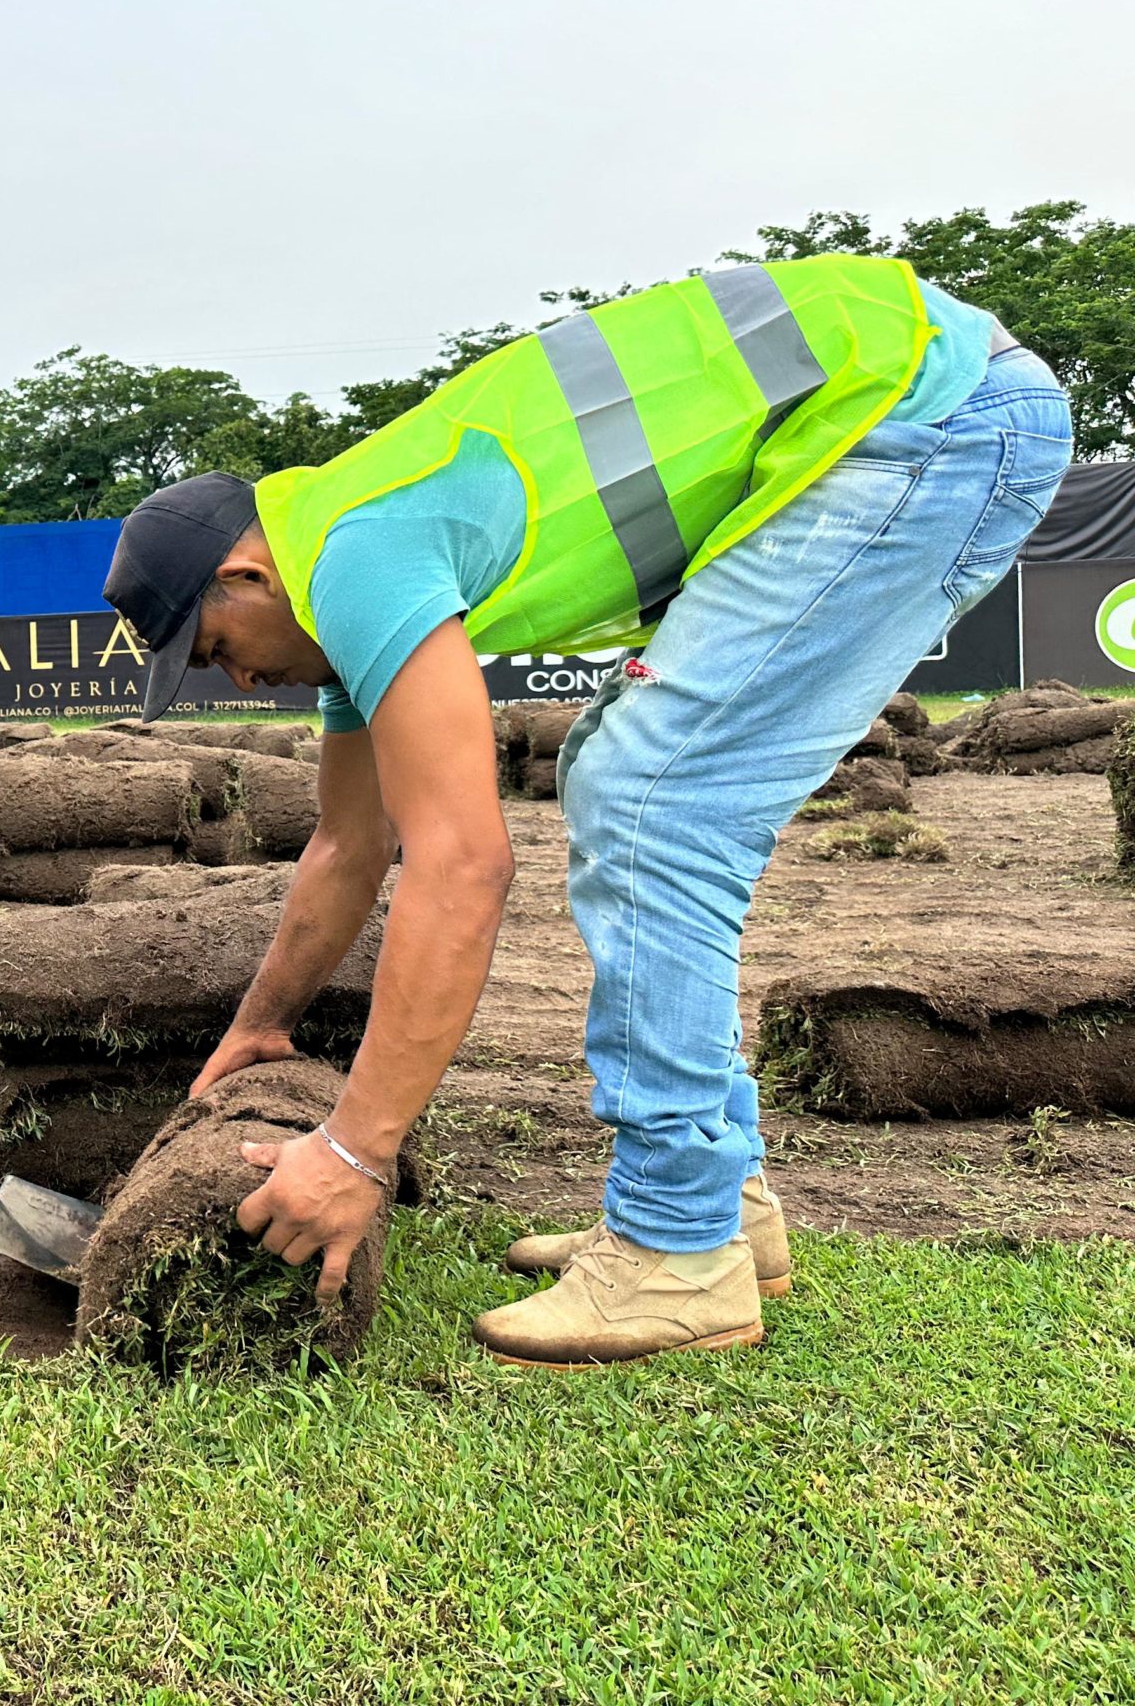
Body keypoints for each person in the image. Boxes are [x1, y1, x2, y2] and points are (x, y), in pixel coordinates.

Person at [102, 256, 1069, 1366]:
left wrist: (358, 1151)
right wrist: (259, 1024)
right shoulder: (336, 548)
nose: (233, 684)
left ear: (246, 576)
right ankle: (716, 1213)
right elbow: (351, 843)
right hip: (907, 407)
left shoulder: (357, 553)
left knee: (650, 792)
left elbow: (462, 865)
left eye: (216, 651)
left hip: (918, 415)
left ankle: (675, 1252)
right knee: (625, 769)